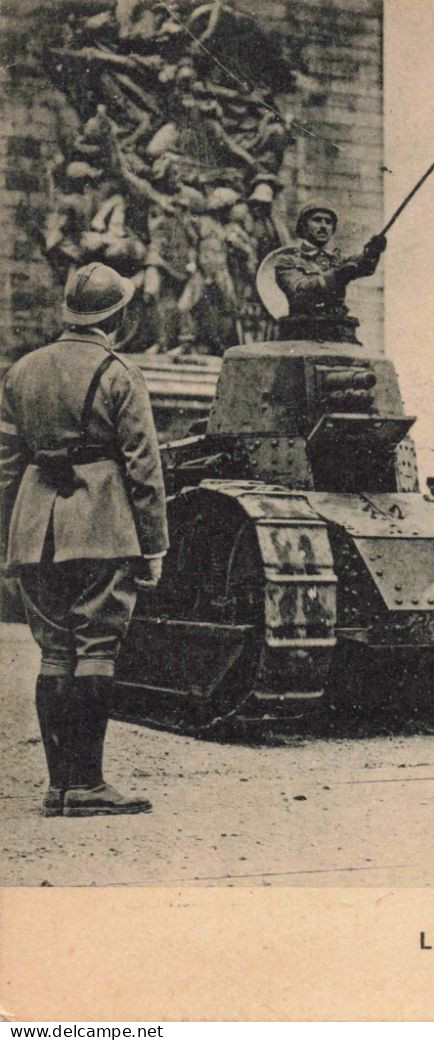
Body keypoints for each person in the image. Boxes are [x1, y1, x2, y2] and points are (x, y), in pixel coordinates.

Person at [0, 263, 167, 816]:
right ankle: (88, 786)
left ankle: (57, 787)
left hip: (33, 528)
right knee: (97, 647)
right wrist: (154, 544)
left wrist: (11, 539)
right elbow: (144, 467)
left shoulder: (21, 371)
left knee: (53, 653)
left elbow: (4, 464)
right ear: (117, 315)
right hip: (99, 524)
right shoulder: (120, 372)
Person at [273, 201, 385, 342]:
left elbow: (361, 265)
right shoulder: (287, 261)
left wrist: (373, 252)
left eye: (328, 222)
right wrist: (337, 276)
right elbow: (300, 290)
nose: (323, 226)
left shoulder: (336, 260)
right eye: (317, 220)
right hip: (303, 333)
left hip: (339, 332)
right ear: (303, 225)